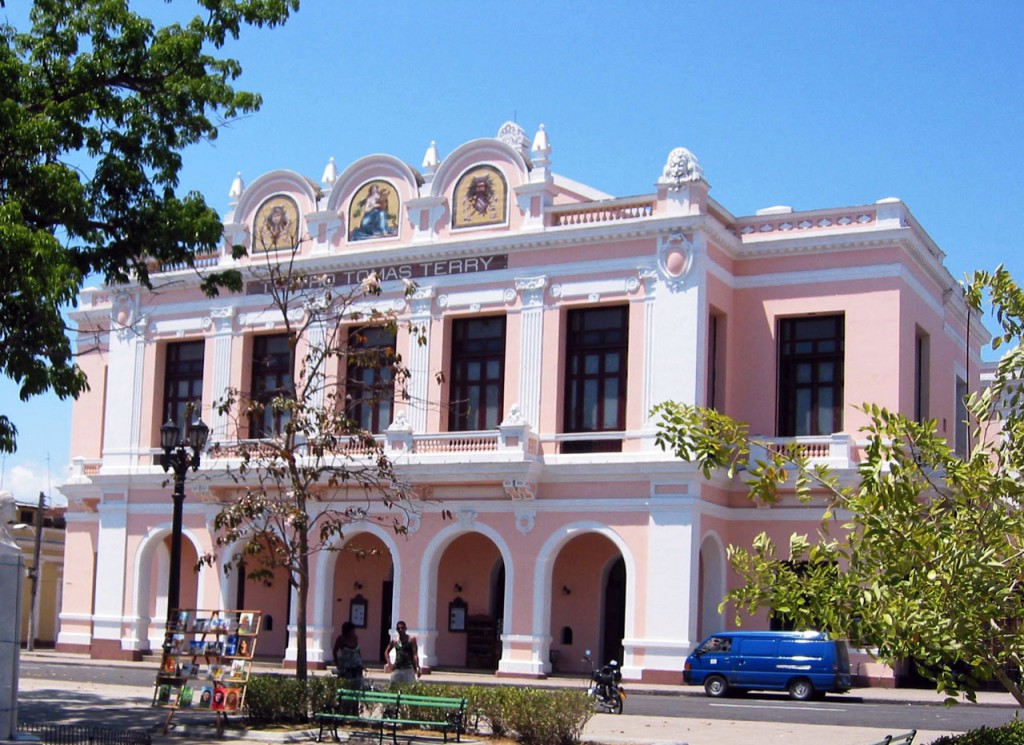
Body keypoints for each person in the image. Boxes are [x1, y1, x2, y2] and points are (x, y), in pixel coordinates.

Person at [332, 621, 364, 689]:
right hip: (346, 666)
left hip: (357, 665)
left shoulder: (355, 638)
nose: (353, 632)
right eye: (352, 631)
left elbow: (358, 651)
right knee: (347, 684)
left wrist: (361, 662)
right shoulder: (341, 639)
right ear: (347, 631)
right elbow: (334, 651)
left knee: (357, 684)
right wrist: (337, 664)